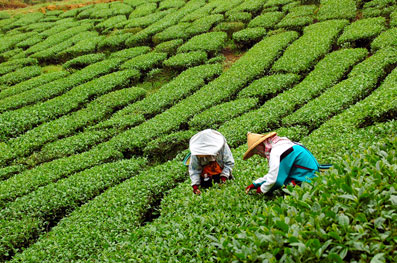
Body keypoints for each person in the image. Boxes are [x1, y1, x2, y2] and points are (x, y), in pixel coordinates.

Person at [244, 132, 320, 195]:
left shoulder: (277, 151)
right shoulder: (281, 145)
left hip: (307, 180)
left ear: (261, 145)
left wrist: (261, 190)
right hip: (311, 175)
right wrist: (256, 183)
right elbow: (274, 173)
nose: (259, 154)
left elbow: (275, 180)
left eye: (257, 151)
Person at [188, 129, 235, 195]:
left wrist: (223, 178)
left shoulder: (222, 147)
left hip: (222, 175)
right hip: (205, 179)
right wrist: (195, 186)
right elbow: (194, 169)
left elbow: (229, 163)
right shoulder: (195, 153)